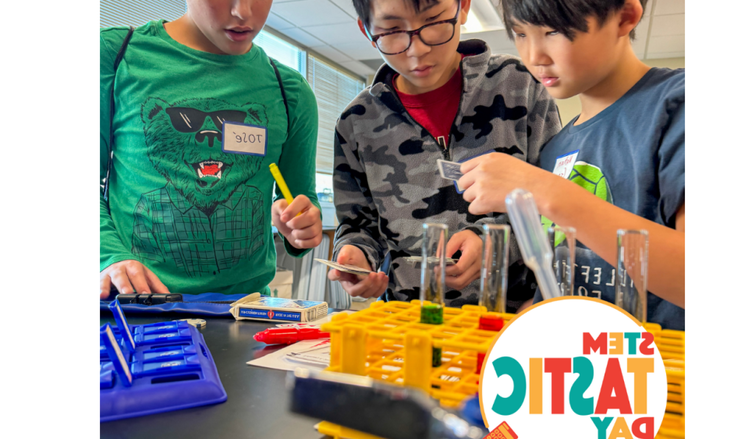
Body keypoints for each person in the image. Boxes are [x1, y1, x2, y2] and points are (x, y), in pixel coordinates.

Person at [458, 0, 685, 329]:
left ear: (624, 18)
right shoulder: (556, 149)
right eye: (520, 34)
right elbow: (561, 285)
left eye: (554, 31)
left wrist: (543, 189)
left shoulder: (677, 105)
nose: (534, 56)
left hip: (653, 370)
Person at [328, 0, 561, 310]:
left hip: (513, 317)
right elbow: (358, 226)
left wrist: (496, 245)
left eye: (434, 21)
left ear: (462, 7)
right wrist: (355, 256)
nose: (417, 50)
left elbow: (558, 205)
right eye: (393, 31)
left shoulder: (519, 85)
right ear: (367, 29)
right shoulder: (356, 122)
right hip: (409, 321)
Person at [100, 0, 323, 299]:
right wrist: (110, 256)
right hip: (136, 304)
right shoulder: (114, 56)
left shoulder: (290, 90)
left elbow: (301, 200)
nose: (243, 12)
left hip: (246, 311)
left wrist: (302, 227)